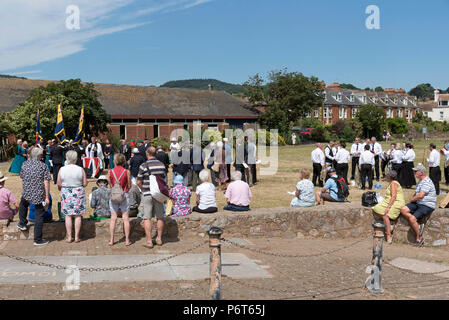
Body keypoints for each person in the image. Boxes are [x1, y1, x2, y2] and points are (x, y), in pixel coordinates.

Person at [17, 147, 51, 246]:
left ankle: (22, 223)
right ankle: (38, 239)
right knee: (39, 215)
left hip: (27, 191)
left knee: (23, 204)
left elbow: (22, 177)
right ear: (40, 156)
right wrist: (47, 197)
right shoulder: (43, 166)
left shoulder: (24, 164)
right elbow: (46, 181)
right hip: (39, 193)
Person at [137, 146, 167, 248]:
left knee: (147, 218)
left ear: (147, 153)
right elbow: (164, 180)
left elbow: (138, 181)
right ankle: (159, 238)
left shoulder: (143, 165)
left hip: (147, 193)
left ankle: (149, 241)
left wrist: (143, 189)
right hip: (158, 194)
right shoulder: (161, 165)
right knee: (160, 216)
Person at [400, 164, 437, 246]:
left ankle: (419, 238)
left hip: (426, 204)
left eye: (415, 171)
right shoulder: (420, 181)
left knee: (412, 219)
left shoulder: (427, 182)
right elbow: (416, 193)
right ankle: (418, 225)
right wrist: (410, 202)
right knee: (403, 209)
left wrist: (410, 200)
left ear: (421, 172)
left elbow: (420, 195)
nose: (414, 172)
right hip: (419, 202)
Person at [57, 150, 88, 243]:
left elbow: (59, 183)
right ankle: (77, 237)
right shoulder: (80, 169)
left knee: (68, 216)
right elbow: (85, 183)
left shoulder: (62, 169)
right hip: (78, 191)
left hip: (66, 192)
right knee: (78, 215)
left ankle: (69, 237)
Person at [372, 170, 405, 244]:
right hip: (391, 201)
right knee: (377, 208)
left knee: (385, 215)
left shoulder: (393, 183)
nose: (385, 177)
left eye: (386, 176)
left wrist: (388, 207)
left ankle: (388, 235)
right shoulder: (392, 183)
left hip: (397, 202)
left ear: (389, 177)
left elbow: (393, 196)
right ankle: (390, 225)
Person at [108, 154, 132, 246]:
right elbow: (129, 185)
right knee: (125, 218)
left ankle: (111, 240)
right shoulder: (126, 171)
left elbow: (110, 185)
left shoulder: (110, 171)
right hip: (124, 194)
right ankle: (127, 240)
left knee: (113, 218)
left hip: (114, 195)